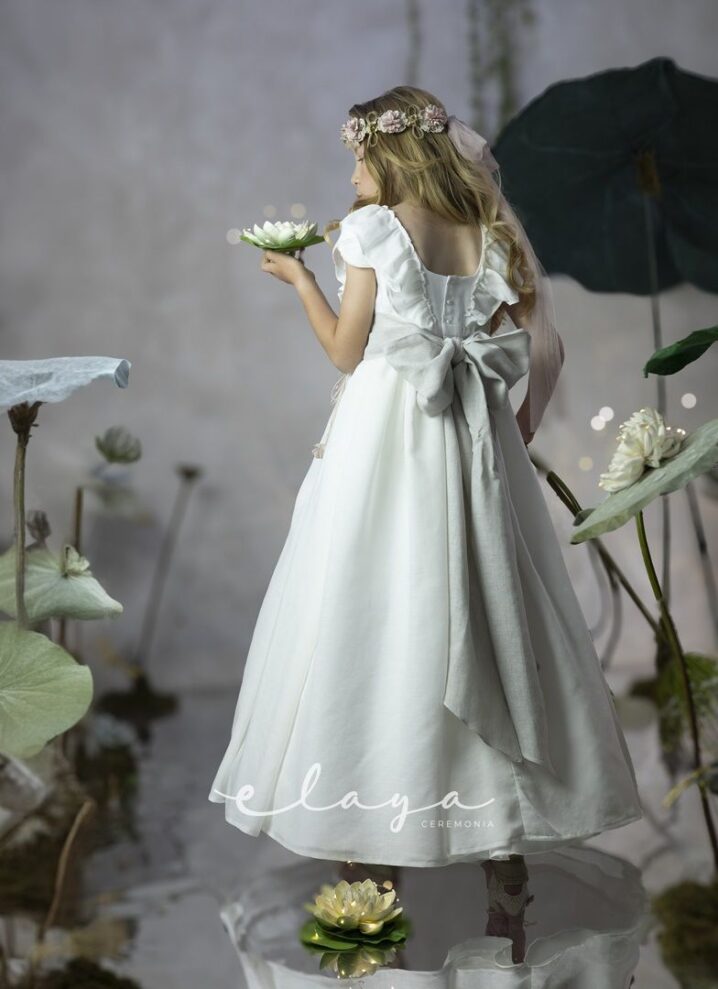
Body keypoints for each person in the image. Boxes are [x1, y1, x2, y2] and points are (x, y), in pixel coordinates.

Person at [208, 86, 643, 868]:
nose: (353, 178)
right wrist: (518, 429)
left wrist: (301, 281)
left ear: (393, 155)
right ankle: (505, 847)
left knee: (374, 596)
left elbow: (347, 351)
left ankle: (368, 838)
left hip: (386, 435)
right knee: (489, 591)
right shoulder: (488, 232)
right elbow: (543, 345)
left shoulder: (372, 229)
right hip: (475, 433)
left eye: (359, 159)